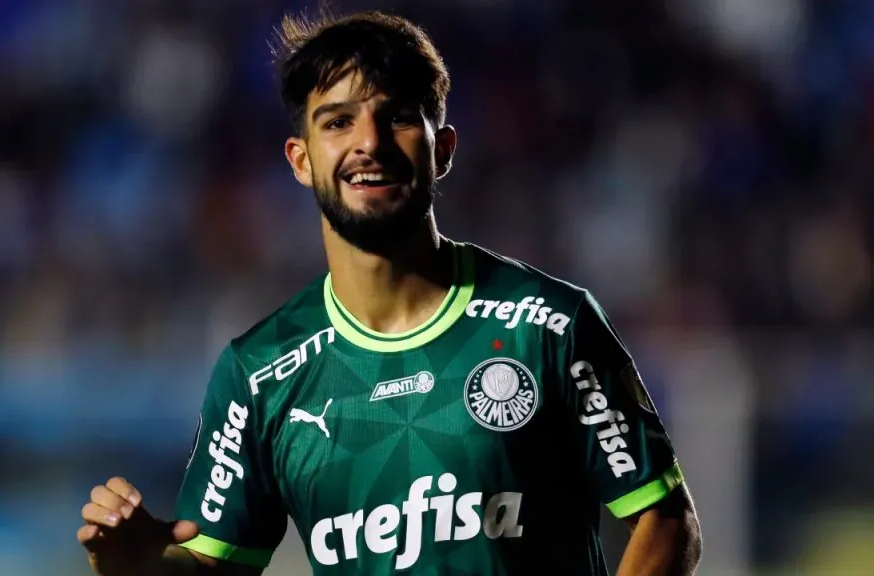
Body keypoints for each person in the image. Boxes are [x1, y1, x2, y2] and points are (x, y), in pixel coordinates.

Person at [76, 9, 702, 576]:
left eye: (398, 116)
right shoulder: (260, 373)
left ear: (444, 149)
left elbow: (666, 522)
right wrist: (138, 566)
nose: (368, 143)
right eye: (338, 121)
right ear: (300, 159)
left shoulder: (549, 325)